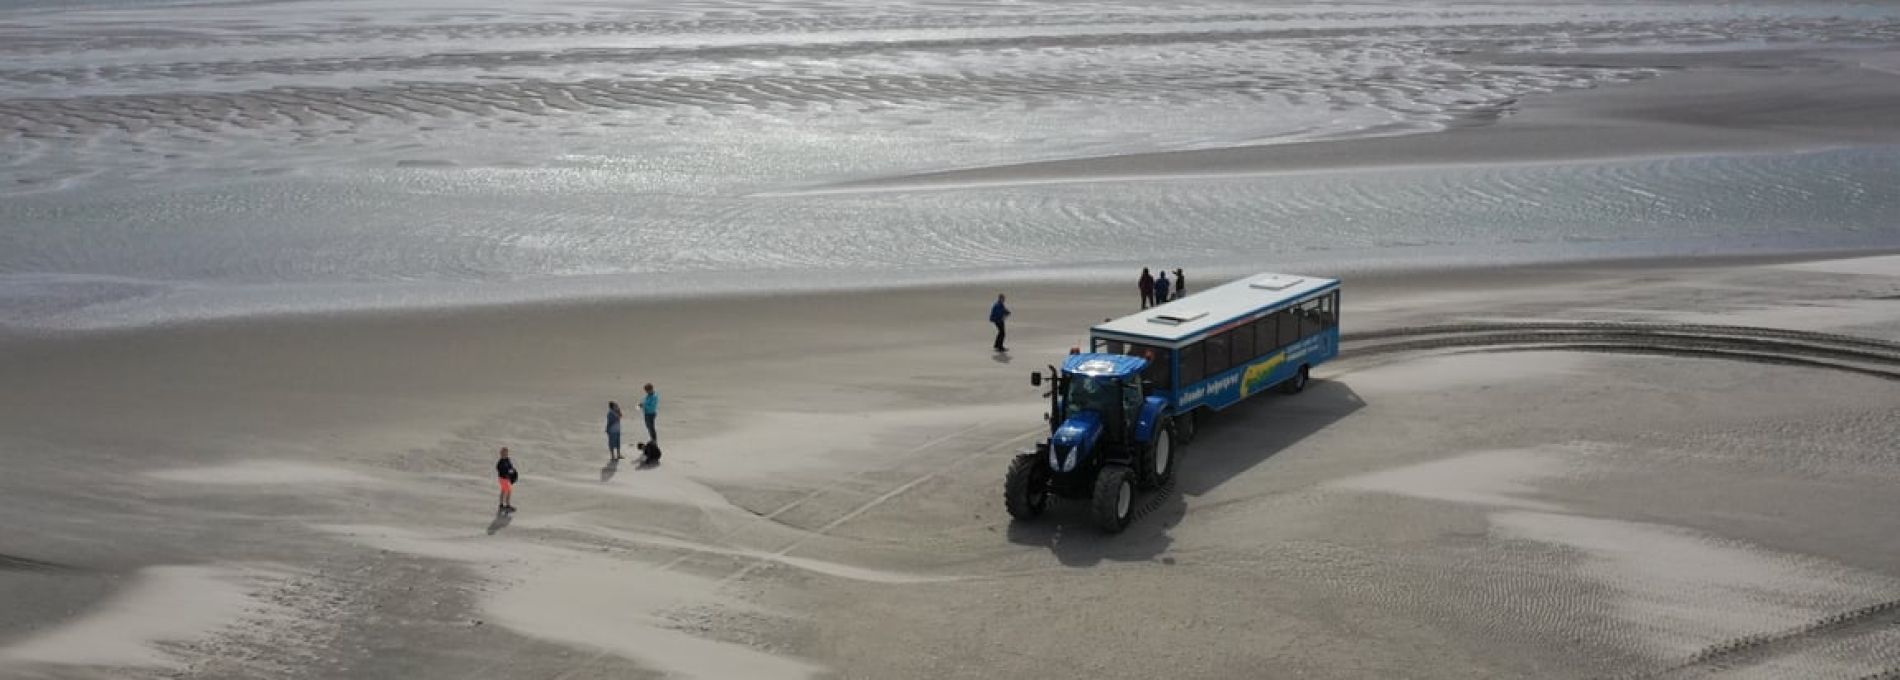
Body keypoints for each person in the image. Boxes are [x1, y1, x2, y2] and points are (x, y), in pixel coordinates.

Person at [496, 447, 518, 513]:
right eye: (503, 453)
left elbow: (511, 467)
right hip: (503, 479)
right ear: (501, 454)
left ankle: (501, 505)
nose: (505, 454)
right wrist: (508, 472)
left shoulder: (507, 460)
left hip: (506, 479)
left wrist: (513, 471)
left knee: (504, 491)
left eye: (506, 453)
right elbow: (499, 469)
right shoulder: (500, 462)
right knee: (508, 491)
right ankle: (507, 505)